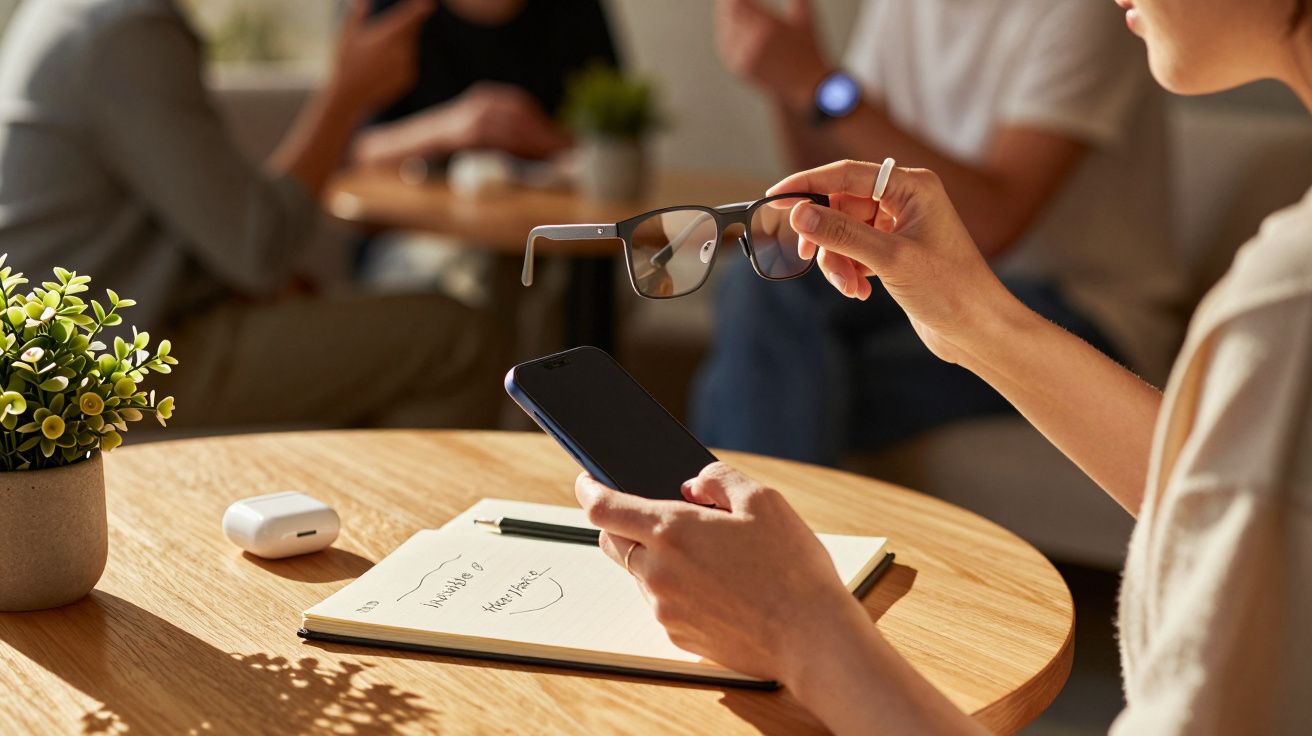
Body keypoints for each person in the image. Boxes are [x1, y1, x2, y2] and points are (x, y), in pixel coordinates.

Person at [577, 0, 1312, 732]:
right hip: (970, 300)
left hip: (1084, 309)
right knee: (769, 317)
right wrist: (966, 315)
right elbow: (1199, 487)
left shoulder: (1286, 304)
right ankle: (749, 566)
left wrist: (799, 627)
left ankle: (750, 580)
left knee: (777, 367)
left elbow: (990, 214)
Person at [694, 0, 1184, 465]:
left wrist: (816, 83)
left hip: (1079, 309)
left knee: (759, 379)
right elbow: (832, 183)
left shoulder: (1093, 11)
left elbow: (990, 224)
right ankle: (750, 518)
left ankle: (741, 519)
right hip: (928, 280)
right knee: (764, 308)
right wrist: (785, 84)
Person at [0, 0, 501, 430]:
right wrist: (346, 96)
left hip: (60, 343)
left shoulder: (70, 13)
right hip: (98, 361)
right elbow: (259, 249)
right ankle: (410, 513)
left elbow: (210, 229)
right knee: (458, 339)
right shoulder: (125, 32)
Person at [351, 0, 618, 167]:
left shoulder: (575, 10)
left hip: (552, 227)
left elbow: (621, 141)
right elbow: (356, 151)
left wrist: (544, 140)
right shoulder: (397, 10)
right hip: (413, 229)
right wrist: (449, 128)